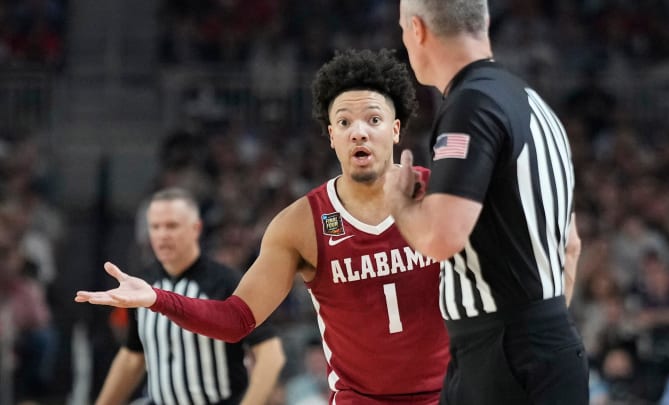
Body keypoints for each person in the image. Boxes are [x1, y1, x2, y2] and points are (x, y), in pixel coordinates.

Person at [76, 49, 450, 404]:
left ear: (397, 129)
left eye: (373, 119)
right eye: (344, 122)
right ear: (332, 136)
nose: (359, 132)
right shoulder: (300, 224)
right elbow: (237, 318)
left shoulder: (442, 195)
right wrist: (158, 298)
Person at [384, 0, 588, 403]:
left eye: (403, 31)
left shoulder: (469, 104)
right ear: (485, 22)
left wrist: (400, 203)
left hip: (501, 355)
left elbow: (442, 236)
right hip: (545, 345)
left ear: (418, 30)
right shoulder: (534, 103)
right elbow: (571, 245)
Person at [93, 188, 285, 405]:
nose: (162, 234)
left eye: (172, 226)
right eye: (155, 227)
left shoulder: (226, 281)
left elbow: (270, 354)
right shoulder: (142, 284)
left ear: (196, 229)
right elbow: (132, 357)